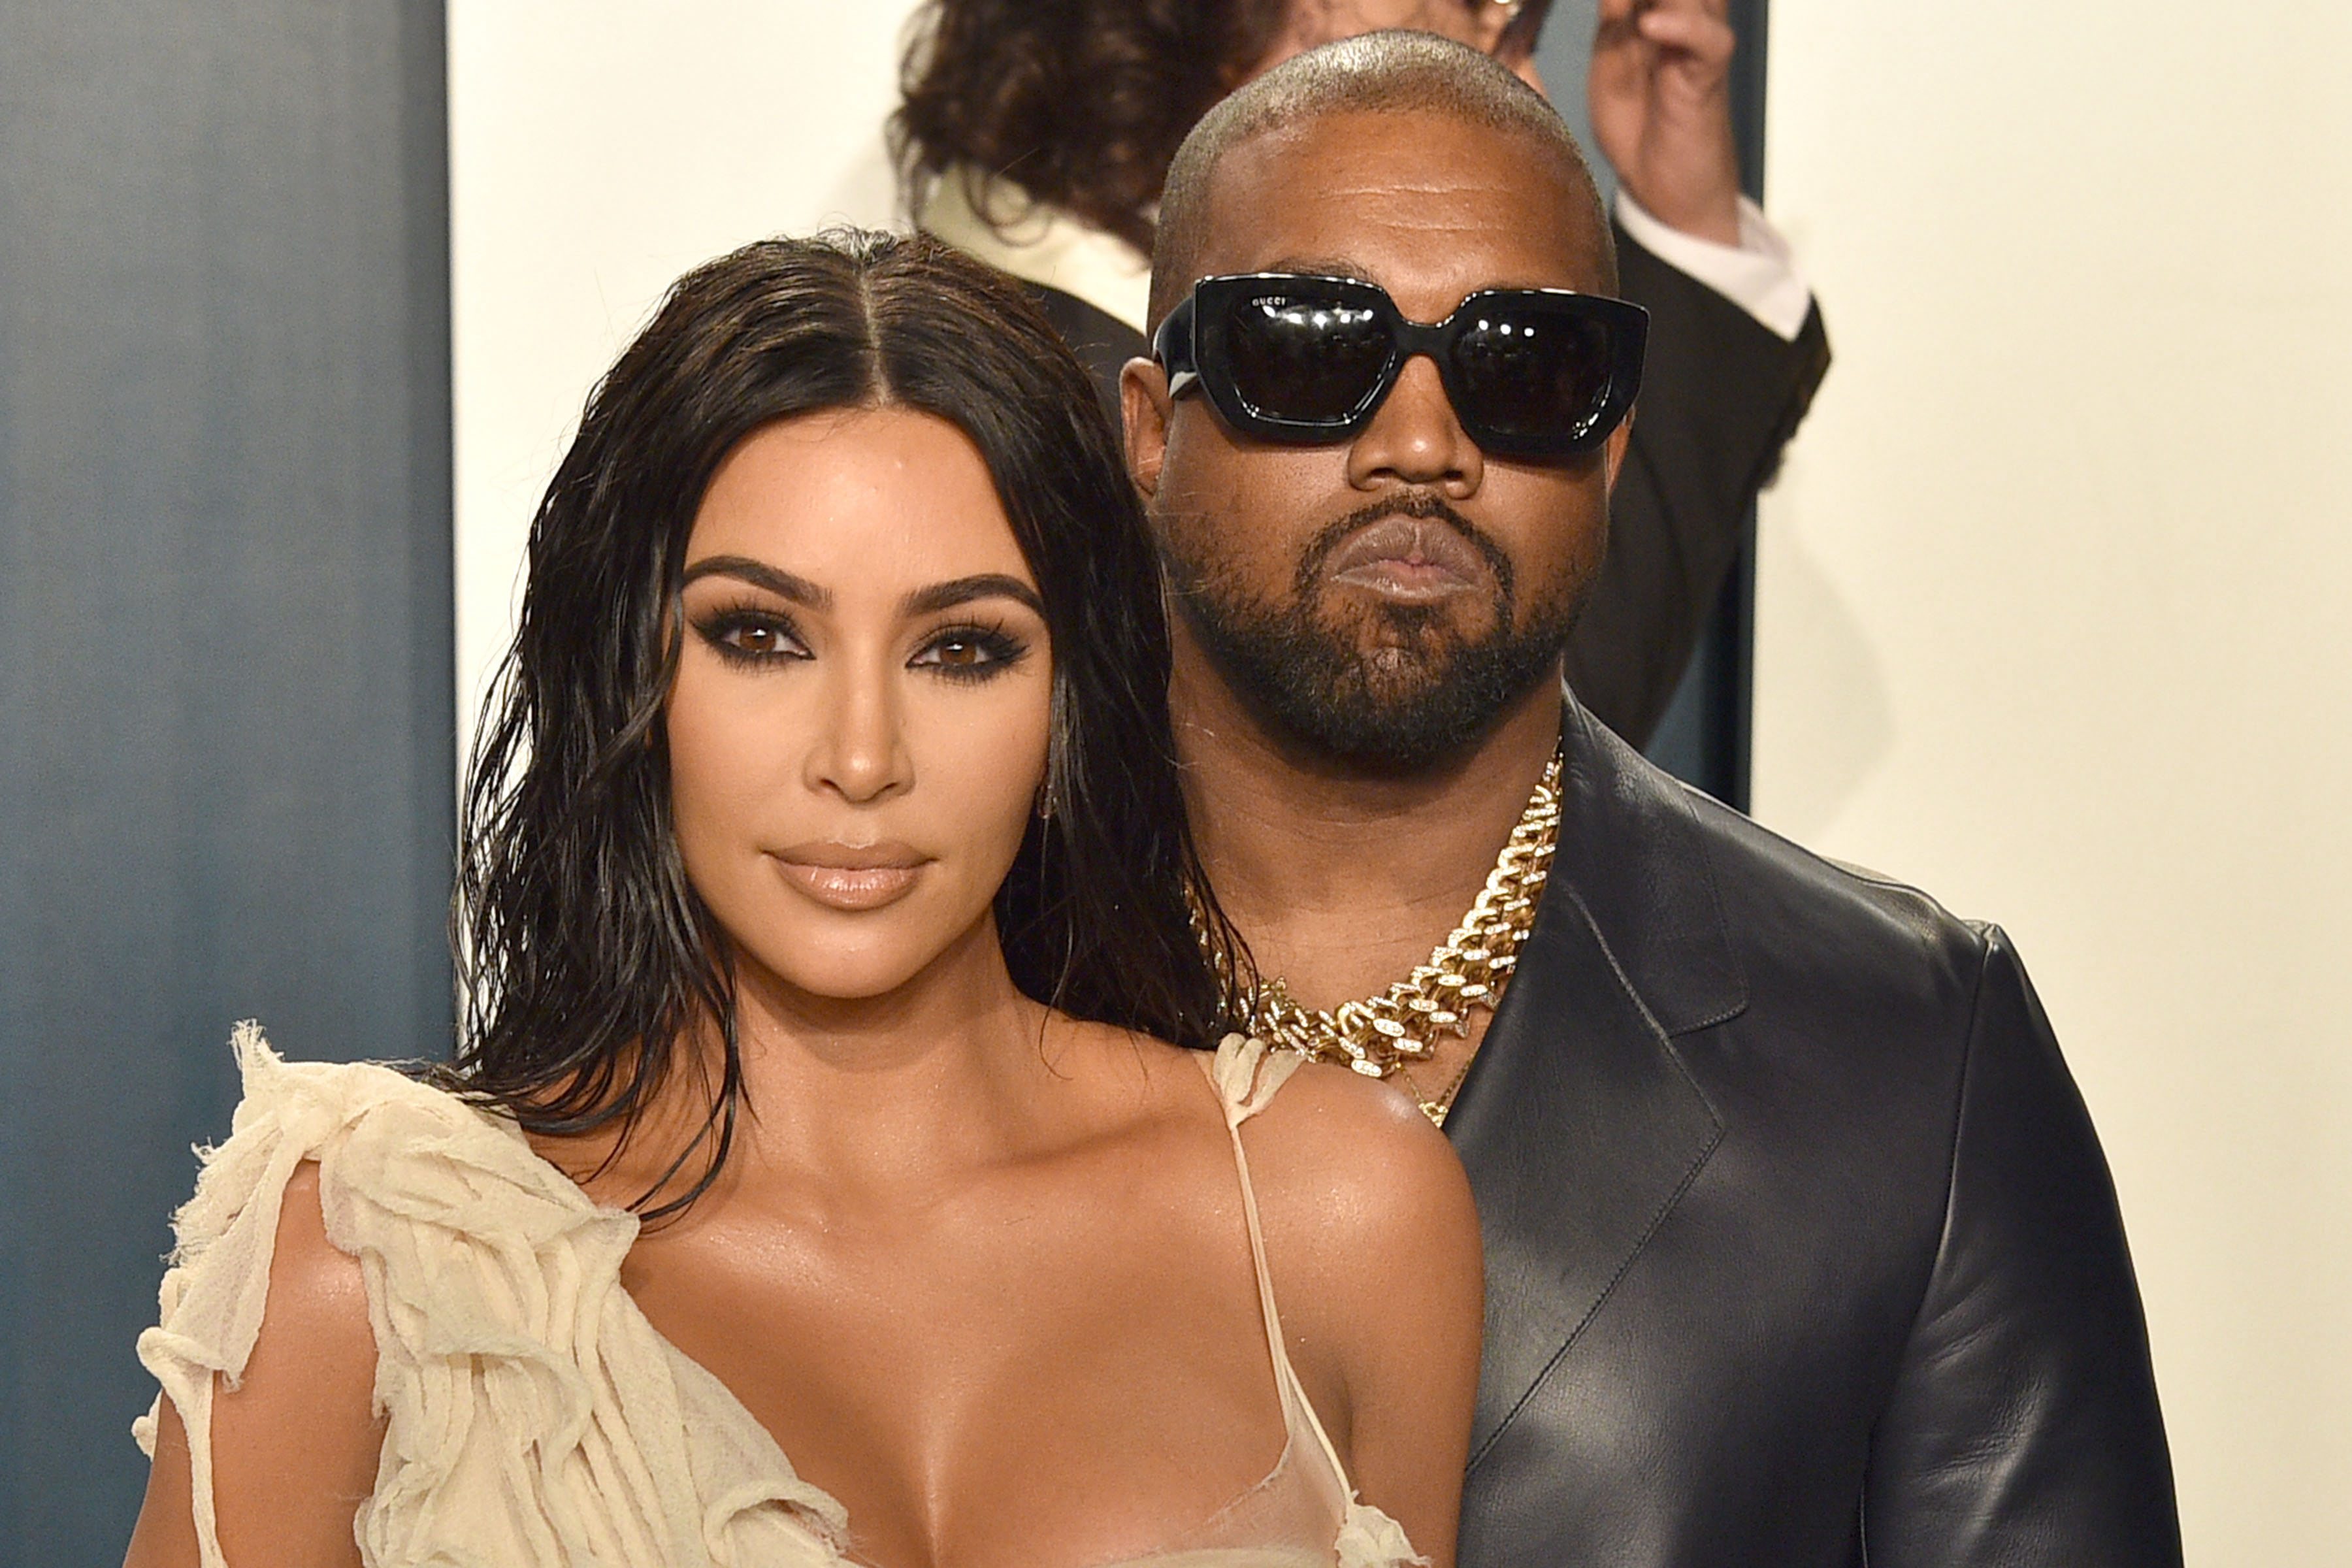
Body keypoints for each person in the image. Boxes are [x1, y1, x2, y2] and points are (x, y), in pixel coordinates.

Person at [122, 232, 1482, 1568]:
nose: (861, 758)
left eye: (963, 649)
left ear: (1072, 701)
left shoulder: (1339, 1214)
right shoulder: (368, 1263)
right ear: (634, 682)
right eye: (760, 637)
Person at [1119, 34, 2182, 1567]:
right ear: (1153, 425)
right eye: (1308, 346)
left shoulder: (1913, 1061)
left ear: (1612, 440)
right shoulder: (943, 970)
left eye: (1525, 370)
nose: (1422, 447)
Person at [894, 0, 1831, 747]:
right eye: (1489, 13)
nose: (1530, 87)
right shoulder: (990, 412)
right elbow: (1471, 734)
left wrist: (1688, 224)